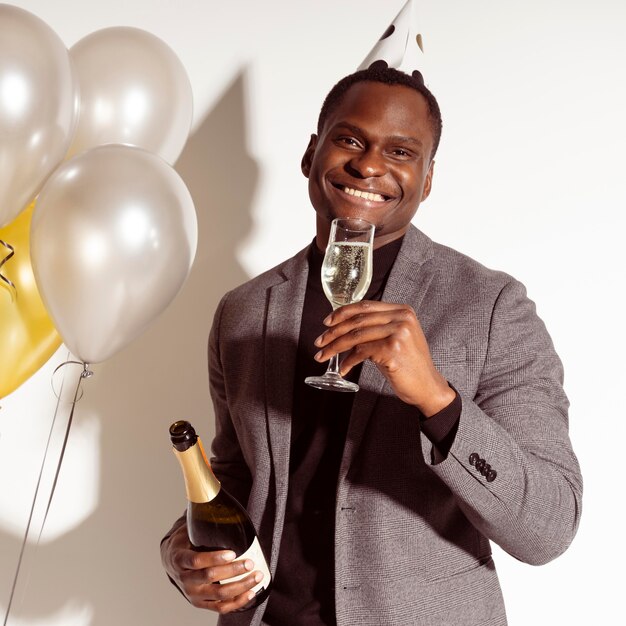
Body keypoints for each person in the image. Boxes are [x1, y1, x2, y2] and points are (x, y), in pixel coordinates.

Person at [160, 64, 582, 626]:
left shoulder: (492, 308)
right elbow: (237, 477)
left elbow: (548, 528)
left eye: (401, 152)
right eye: (350, 140)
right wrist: (180, 550)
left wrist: (437, 399)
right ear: (312, 154)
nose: (369, 164)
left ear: (428, 179)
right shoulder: (243, 311)